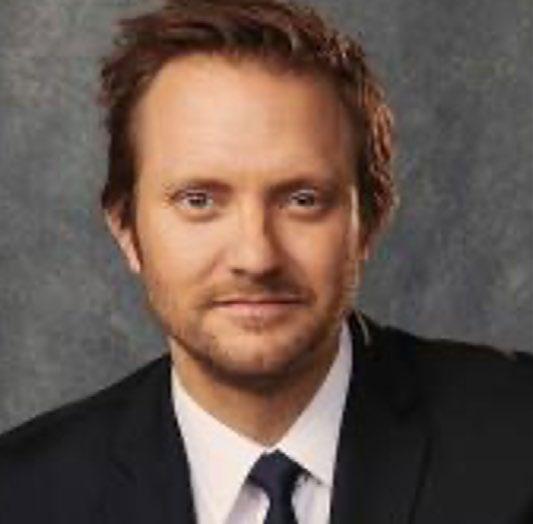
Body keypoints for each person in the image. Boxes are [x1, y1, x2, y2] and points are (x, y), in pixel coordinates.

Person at [1, 0, 532, 522]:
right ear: (125, 228)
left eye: (302, 200)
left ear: (369, 220)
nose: (256, 257)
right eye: (199, 201)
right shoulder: (23, 495)